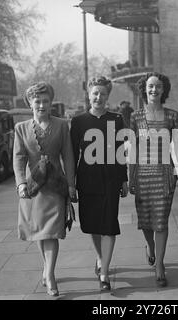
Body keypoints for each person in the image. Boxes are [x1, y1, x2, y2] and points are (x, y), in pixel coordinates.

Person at [13, 82, 76, 297]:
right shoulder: (21, 128)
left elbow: (68, 156)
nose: (41, 105)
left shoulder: (61, 125)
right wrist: (21, 183)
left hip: (56, 188)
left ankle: (50, 275)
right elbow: (19, 158)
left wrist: (71, 185)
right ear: (30, 103)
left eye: (45, 101)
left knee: (52, 233)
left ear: (51, 103)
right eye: (37, 101)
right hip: (33, 189)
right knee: (40, 233)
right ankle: (46, 269)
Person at [70, 76, 128, 292]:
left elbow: (120, 152)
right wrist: (71, 184)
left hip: (111, 178)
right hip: (87, 179)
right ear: (88, 94)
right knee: (93, 224)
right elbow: (72, 155)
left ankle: (104, 272)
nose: (98, 97)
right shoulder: (78, 122)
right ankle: (99, 257)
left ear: (108, 96)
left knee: (109, 224)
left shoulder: (117, 119)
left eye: (103, 93)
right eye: (95, 93)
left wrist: (124, 179)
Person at [129, 72, 178, 287]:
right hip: (142, 174)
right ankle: (150, 246)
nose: (154, 90)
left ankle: (160, 264)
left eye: (158, 86)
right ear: (144, 89)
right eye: (150, 86)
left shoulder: (172, 116)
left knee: (161, 219)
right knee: (146, 220)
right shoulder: (135, 116)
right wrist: (130, 177)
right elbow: (132, 148)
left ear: (164, 90)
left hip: (164, 173)